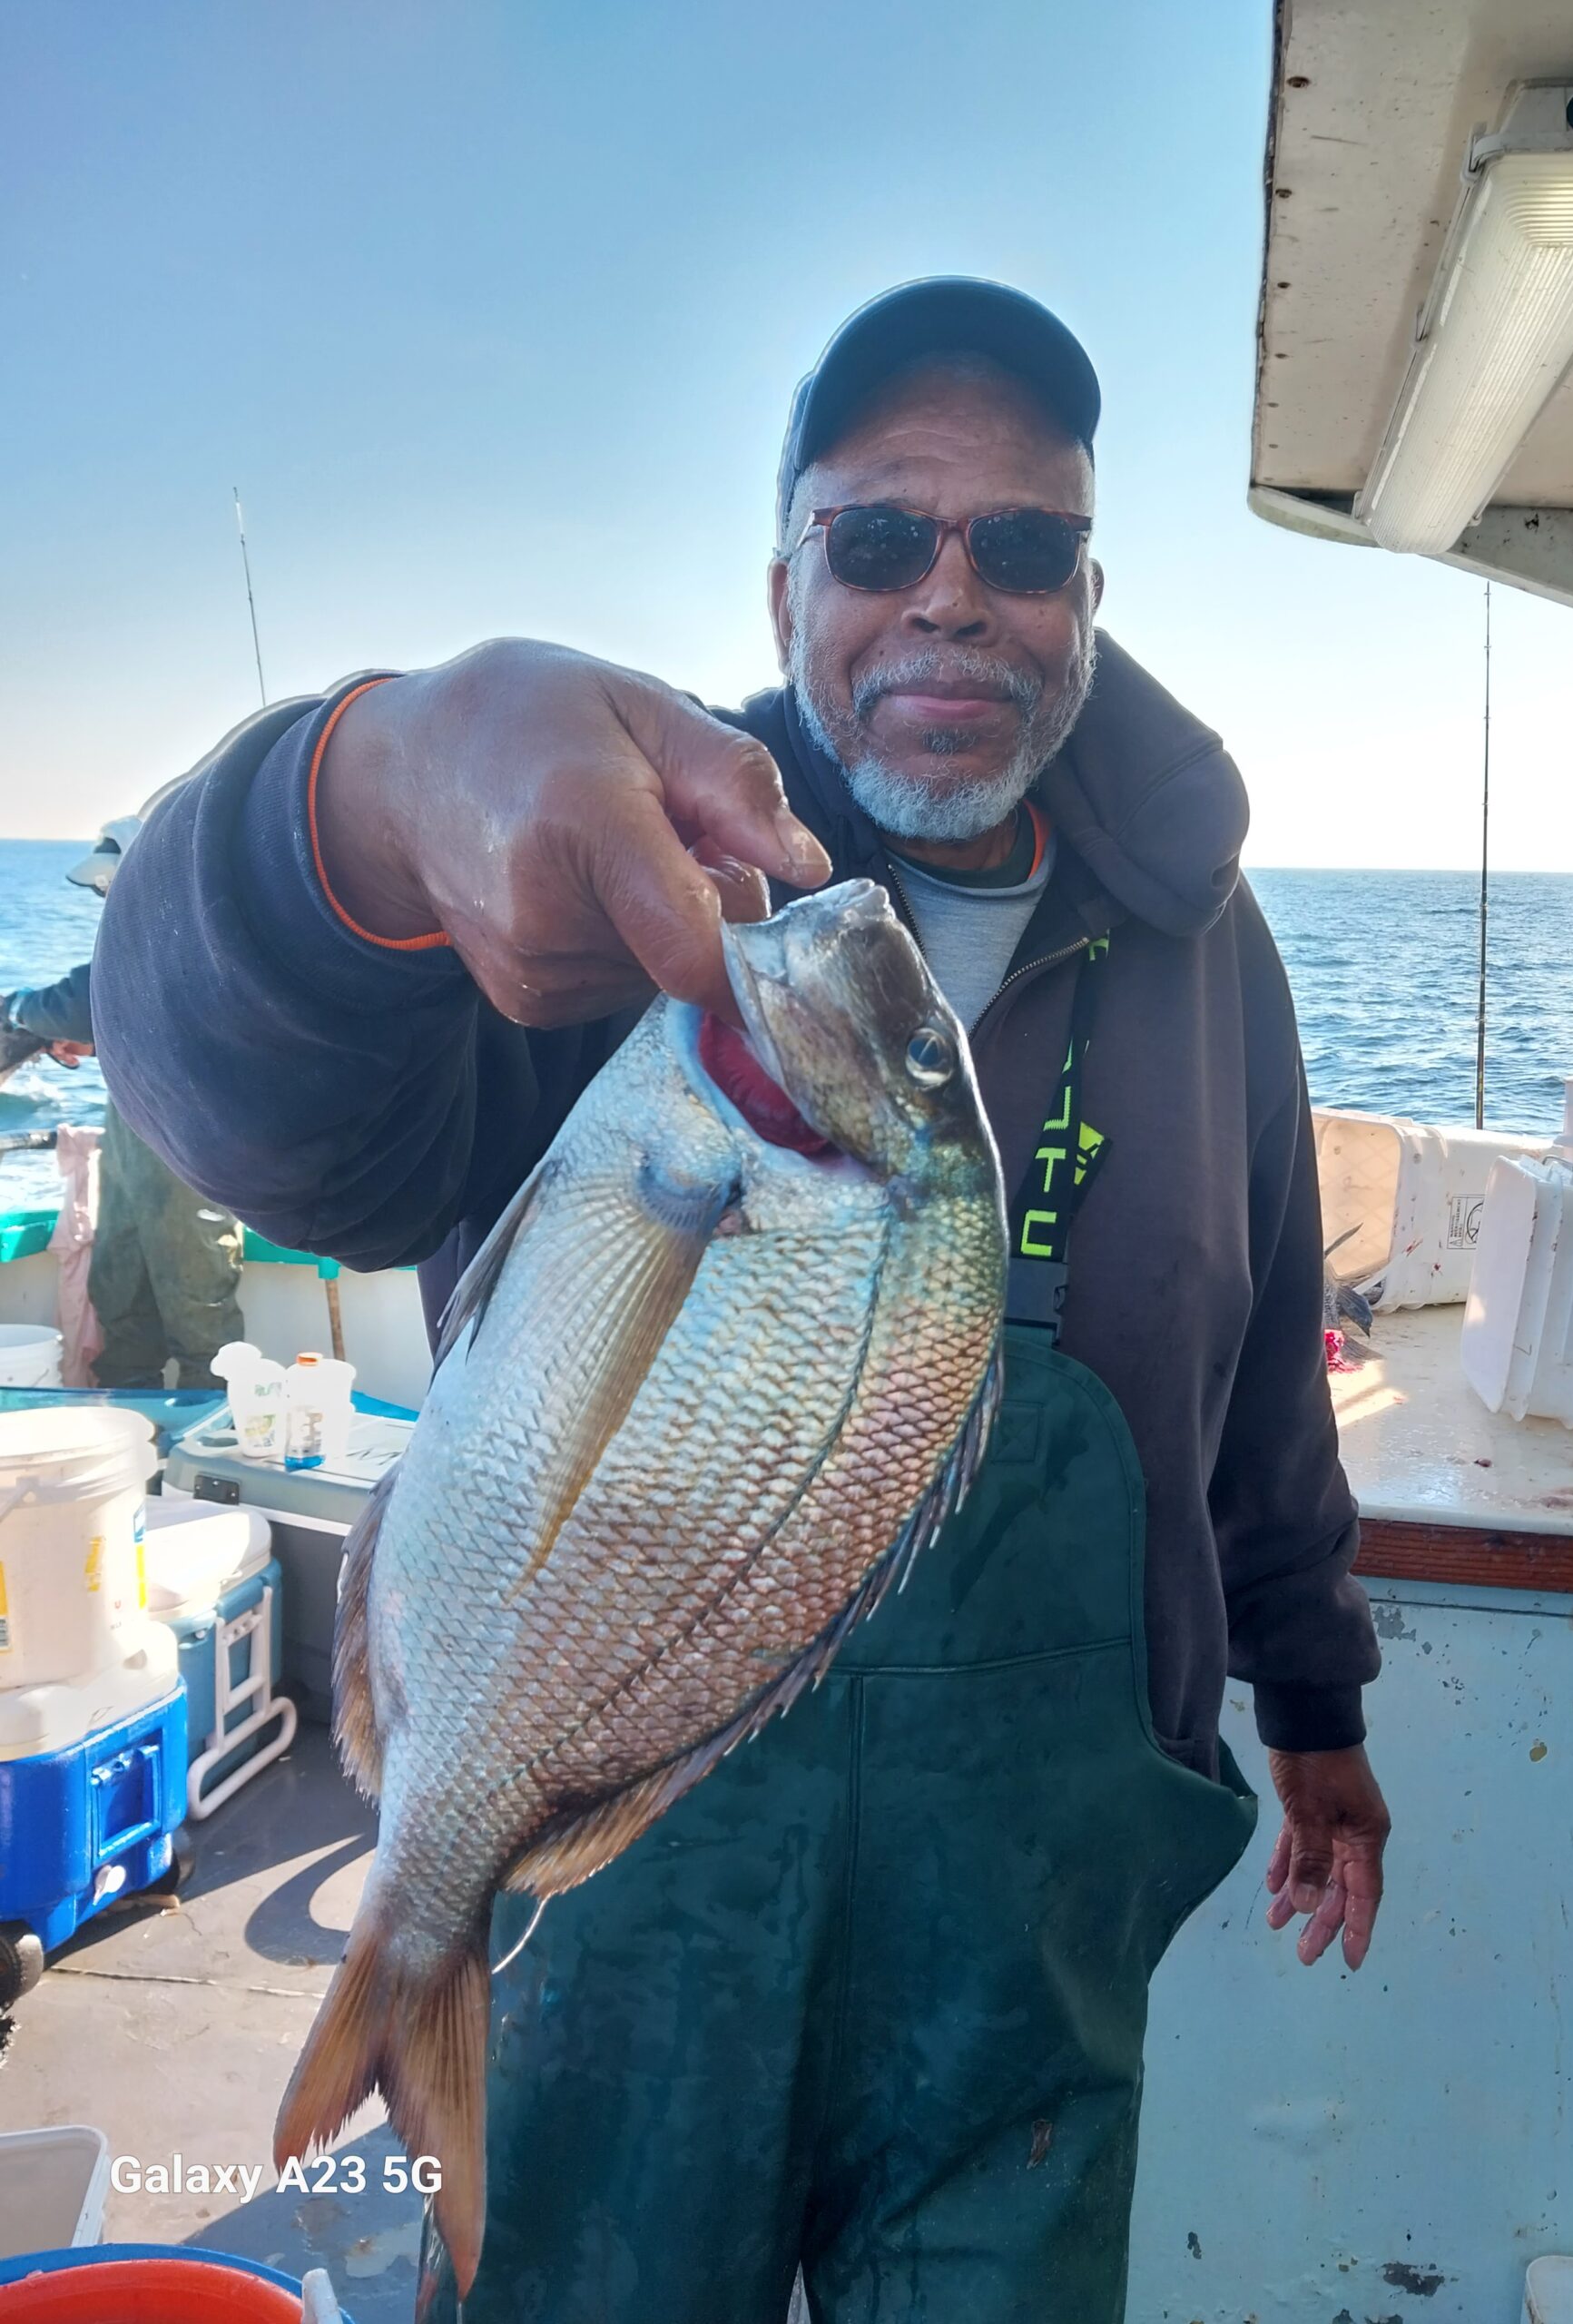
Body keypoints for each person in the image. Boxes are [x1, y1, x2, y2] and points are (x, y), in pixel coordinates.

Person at [93, 279, 1391, 2322]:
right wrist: (367, 789)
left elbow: (1259, 1382)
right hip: (624, 1908)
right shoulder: (580, 860)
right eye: (882, 538)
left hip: (1029, 1946)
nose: (951, 596)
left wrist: (1315, 1706)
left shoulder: (1207, 942)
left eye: (1022, 545)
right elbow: (242, 1104)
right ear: (786, 576)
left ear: (1086, 589)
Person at [6, 830, 244, 1392]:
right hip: (134, 1143)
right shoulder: (147, 946)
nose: (106, 899)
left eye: (111, 884)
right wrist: (95, 1040)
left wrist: (17, 1008)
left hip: (189, 1149)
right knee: (120, 1293)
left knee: (200, 1311)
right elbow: (128, 1013)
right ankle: (130, 1428)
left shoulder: (178, 935)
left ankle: (207, 1457)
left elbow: (89, 996)